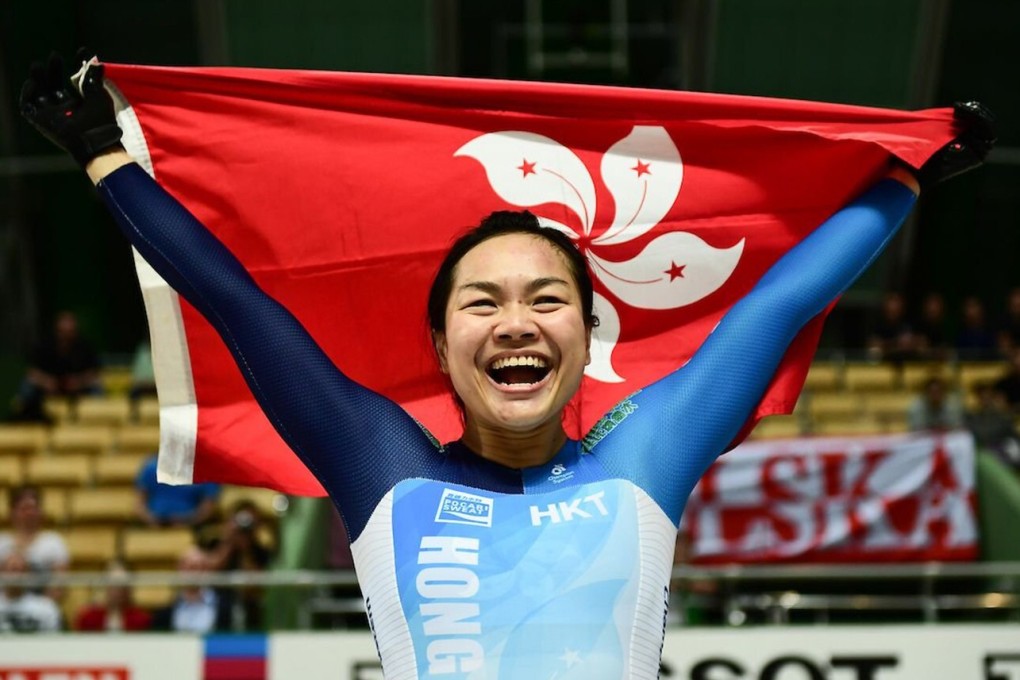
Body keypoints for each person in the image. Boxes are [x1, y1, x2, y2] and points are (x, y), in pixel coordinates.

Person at [20, 52, 993, 677]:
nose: (516, 321)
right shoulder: (382, 466)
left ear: (589, 329)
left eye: (546, 297)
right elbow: (239, 305)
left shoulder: (643, 457)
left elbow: (774, 307)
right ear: (441, 345)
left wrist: (905, 176)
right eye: (482, 302)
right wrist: (105, 154)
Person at [10, 310, 102, 422]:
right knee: (27, 385)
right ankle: (23, 419)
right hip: (48, 389)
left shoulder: (85, 347)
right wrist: (46, 382)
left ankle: (96, 421)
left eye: (69, 333)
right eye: (62, 332)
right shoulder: (44, 345)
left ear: (75, 332)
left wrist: (78, 382)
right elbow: (32, 372)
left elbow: (94, 374)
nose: (66, 336)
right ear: (56, 331)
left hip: (78, 390)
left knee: (97, 388)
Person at [206, 499, 274, 630]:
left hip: (249, 606)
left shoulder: (260, 550)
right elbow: (212, 571)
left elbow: (254, 584)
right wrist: (229, 542)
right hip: (220, 602)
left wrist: (246, 548)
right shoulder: (215, 542)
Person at [0, 485, 69, 600]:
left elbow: (59, 586)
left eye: (34, 508)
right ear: (12, 512)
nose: (30, 513)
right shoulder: (2, 543)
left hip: (42, 609)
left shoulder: (53, 542)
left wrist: (41, 608)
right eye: (24, 508)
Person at [151, 545, 231, 634]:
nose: (194, 574)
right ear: (179, 569)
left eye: (199, 568)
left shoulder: (224, 606)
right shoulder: (166, 610)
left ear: (207, 571)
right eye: (190, 568)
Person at [135, 454, 220, 528]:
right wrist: (151, 520)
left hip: (190, 527)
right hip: (154, 525)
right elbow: (140, 503)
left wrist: (188, 522)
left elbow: (208, 507)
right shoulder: (151, 468)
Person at [74, 561, 152, 632]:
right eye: (113, 583)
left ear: (129, 587)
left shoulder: (141, 619)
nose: (117, 589)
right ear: (105, 585)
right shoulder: (89, 618)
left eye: (121, 584)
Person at [0, 553, 62, 633]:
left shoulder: (46, 607)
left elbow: (54, 641)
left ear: (28, 574)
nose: (16, 576)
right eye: (12, 570)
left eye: (21, 570)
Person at [965, 382, 1020, 469]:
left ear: (992, 398)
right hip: (980, 454)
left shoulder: (1003, 416)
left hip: (1001, 453)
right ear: (978, 398)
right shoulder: (971, 417)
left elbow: (1013, 436)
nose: (985, 399)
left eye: (988, 397)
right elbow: (971, 437)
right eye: (982, 397)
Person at [866, 292, 918, 363]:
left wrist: (913, 342)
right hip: (881, 366)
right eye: (891, 310)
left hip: (907, 364)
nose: (894, 308)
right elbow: (873, 345)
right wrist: (895, 344)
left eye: (897, 305)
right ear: (885, 307)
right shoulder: (877, 324)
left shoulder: (907, 324)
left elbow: (915, 344)